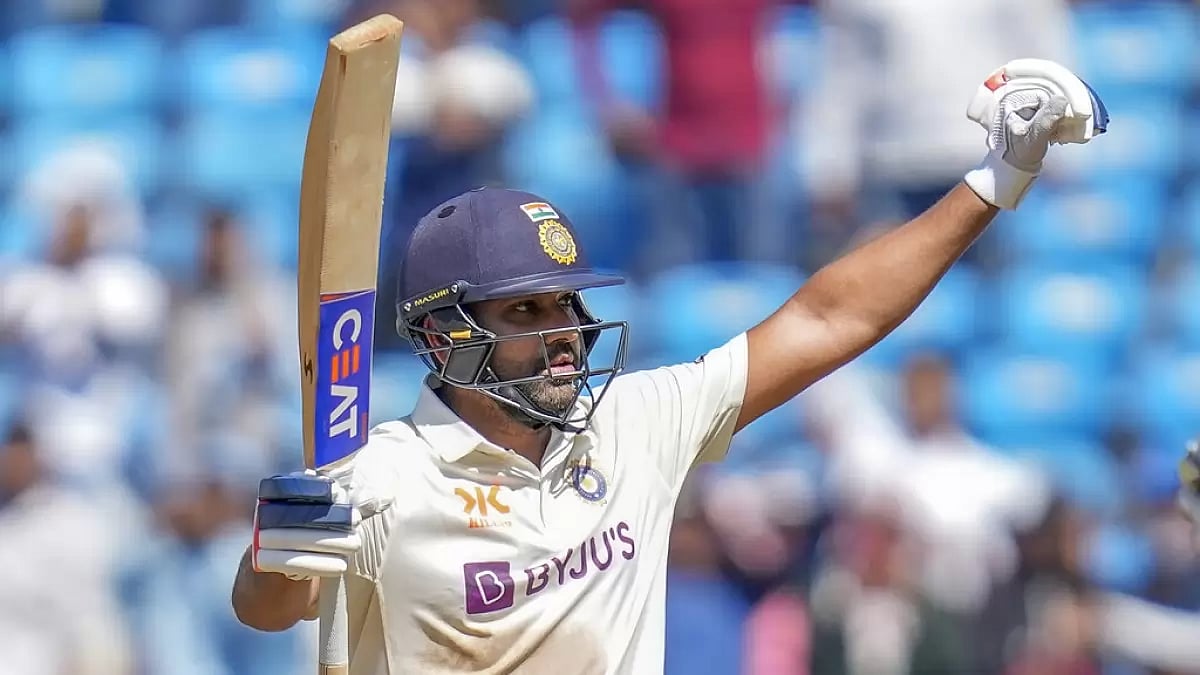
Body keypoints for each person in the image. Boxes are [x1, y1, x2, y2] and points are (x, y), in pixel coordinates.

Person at [230, 61, 1103, 673]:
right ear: (444, 337)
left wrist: (993, 181)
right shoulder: (384, 473)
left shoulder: (636, 423)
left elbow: (830, 315)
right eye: (526, 310)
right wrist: (275, 556)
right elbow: (267, 609)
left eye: (567, 303)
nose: (566, 331)